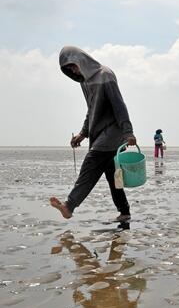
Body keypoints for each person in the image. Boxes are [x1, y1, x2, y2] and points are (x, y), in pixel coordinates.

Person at [49, 46, 137, 221]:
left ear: (81, 59)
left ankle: (69, 206)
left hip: (112, 134)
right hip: (98, 134)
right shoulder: (84, 82)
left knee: (90, 166)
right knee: (113, 176)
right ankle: (125, 212)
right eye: (69, 70)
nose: (73, 71)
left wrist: (128, 132)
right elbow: (91, 109)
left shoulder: (105, 75)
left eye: (73, 66)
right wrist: (83, 133)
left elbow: (119, 105)